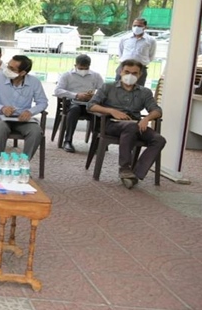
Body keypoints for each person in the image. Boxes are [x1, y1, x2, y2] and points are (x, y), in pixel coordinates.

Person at [87, 59, 165, 189]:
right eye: (127, 72)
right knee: (131, 127)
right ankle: (124, 168)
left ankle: (135, 174)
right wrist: (111, 111)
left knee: (159, 139)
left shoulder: (144, 92)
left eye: (134, 73)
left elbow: (157, 110)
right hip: (112, 124)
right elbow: (91, 105)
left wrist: (147, 119)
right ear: (120, 72)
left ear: (140, 75)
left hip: (136, 124)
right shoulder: (108, 87)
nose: (130, 76)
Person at [0, 55, 49, 159]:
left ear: (22, 73)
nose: (7, 70)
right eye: (8, 66)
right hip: (0, 117)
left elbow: (43, 102)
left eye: (12, 69)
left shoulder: (34, 82)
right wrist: (2, 108)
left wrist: (30, 112)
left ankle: (24, 162)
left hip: (22, 119)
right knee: (0, 128)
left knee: (36, 131)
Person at [54, 54, 105, 153]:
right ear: (75, 65)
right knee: (74, 109)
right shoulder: (67, 75)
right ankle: (68, 141)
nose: (83, 70)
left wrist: (93, 96)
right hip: (73, 102)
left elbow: (103, 91)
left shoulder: (96, 76)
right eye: (81, 68)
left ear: (89, 66)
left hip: (89, 104)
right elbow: (58, 91)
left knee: (98, 112)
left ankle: (97, 142)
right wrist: (76, 95)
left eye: (86, 68)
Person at [115, 18, 156, 86]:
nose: (136, 27)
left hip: (140, 69)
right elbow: (120, 51)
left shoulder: (151, 40)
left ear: (145, 27)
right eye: (134, 25)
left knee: (138, 89)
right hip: (124, 67)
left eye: (139, 26)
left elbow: (151, 55)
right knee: (118, 87)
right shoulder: (124, 38)